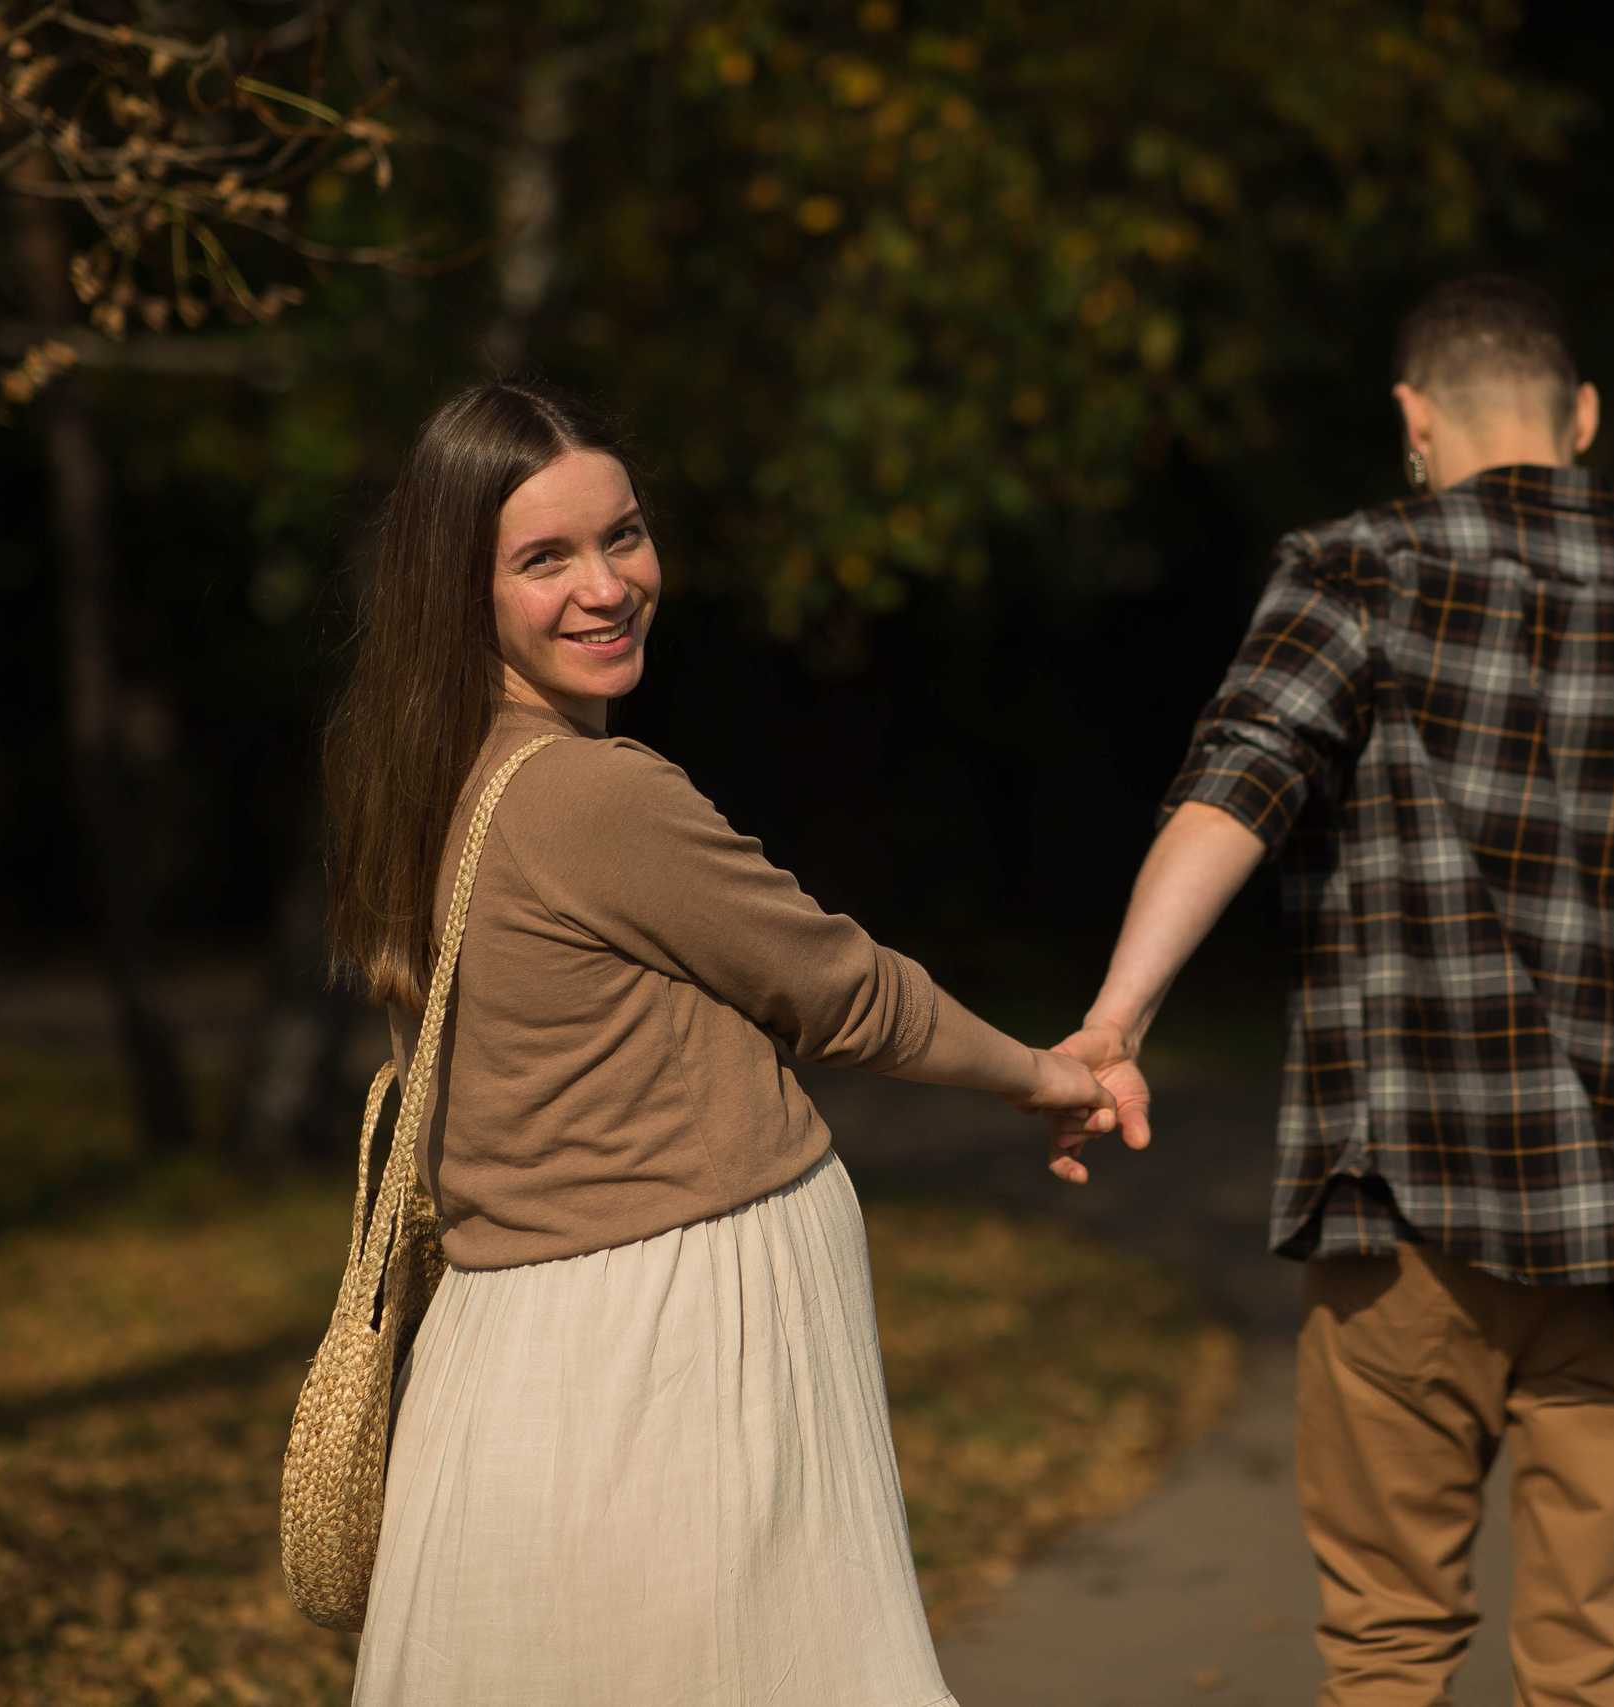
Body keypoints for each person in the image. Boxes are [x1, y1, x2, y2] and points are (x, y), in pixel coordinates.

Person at [1045, 276, 1614, 1705]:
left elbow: (1239, 784)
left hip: (1406, 1226)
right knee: (1598, 1672)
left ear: (1412, 419)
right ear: (1583, 417)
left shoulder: (1354, 571)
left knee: (1390, 1646)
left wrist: (1119, 1017)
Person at [323, 378, 1112, 1706]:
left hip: (518, 1341)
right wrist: (1050, 1074)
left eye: (622, 536)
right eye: (545, 558)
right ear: (458, 587)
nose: (607, 585)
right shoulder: (591, 794)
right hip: (670, 1343)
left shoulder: (420, 766)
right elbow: (844, 990)